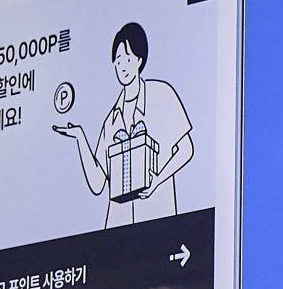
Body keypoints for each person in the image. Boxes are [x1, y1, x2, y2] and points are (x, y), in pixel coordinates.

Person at [51, 20, 194, 227]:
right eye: (118, 61)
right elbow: (97, 183)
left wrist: (157, 181)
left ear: (139, 59)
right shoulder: (111, 121)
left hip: (158, 221)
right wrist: (80, 137)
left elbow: (186, 149)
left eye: (127, 58)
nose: (122, 66)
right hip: (119, 232)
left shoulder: (162, 94)